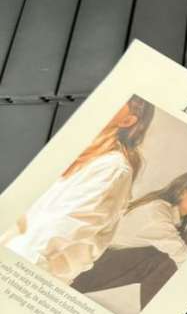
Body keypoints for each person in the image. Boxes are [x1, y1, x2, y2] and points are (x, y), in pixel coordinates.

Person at [0, 95, 155, 284]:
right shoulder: (73, 147)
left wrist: (10, 270)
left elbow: (54, 232)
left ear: (127, 121)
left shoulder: (112, 168)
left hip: (24, 275)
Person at [71, 171, 187, 311]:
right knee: (166, 260)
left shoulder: (173, 218)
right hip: (83, 271)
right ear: (183, 191)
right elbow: (182, 256)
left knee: (168, 260)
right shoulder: (156, 213)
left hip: (98, 265)